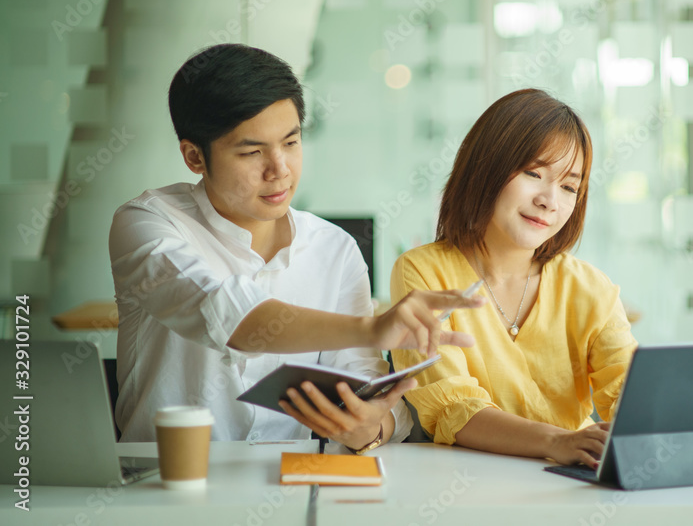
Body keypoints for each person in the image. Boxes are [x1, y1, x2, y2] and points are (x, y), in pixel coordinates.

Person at [110, 44, 481, 451]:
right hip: (160, 486)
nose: (280, 170)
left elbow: (370, 392)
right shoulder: (148, 223)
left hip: (283, 488)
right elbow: (229, 315)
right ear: (194, 157)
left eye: (291, 142)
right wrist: (373, 328)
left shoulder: (334, 249)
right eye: (252, 152)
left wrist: (368, 427)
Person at [391, 89, 637, 469]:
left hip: (566, 487)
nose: (550, 200)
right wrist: (558, 441)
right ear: (486, 167)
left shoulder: (590, 287)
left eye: (570, 187)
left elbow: (632, 396)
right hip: (463, 489)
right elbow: (453, 409)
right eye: (533, 173)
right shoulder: (424, 272)